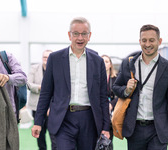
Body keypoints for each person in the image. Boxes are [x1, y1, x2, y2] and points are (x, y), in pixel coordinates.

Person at [31, 17, 110, 150]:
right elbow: (45, 93)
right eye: (76, 33)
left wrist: (106, 127)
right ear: (69, 35)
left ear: (89, 36)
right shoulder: (55, 59)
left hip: (89, 119)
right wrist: (38, 122)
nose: (80, 37)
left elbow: (103, 97)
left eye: (84, 33)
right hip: (63, 119)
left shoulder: (98, 61)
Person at [112, 24, 168, 150]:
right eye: (144, 40)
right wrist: (126, 90)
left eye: (151, 40)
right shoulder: (129, 63)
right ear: (139, 41)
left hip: (158, 130)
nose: (147, 44)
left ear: (159, 41)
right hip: (134, 129)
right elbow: (116, 87)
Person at [27, 49, 57, 150]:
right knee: (40, 134)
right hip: (37, 107)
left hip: (53, 108)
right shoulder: (34, 68)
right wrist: (41, 87)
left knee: (54, 135)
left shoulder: (57, 69)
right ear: (42, 58)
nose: (46, 59)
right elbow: (28, 84)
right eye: (45, 57)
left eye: (49, 57)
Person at [101, 55, 117, 149]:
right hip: (99, 112)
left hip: (112, 113)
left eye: (106, 62)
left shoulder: (115, 79)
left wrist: (111, 104)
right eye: (102, 61)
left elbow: (120, 96)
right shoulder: (95, 79)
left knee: (109, 140)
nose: (104, 64)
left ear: (110, 64)